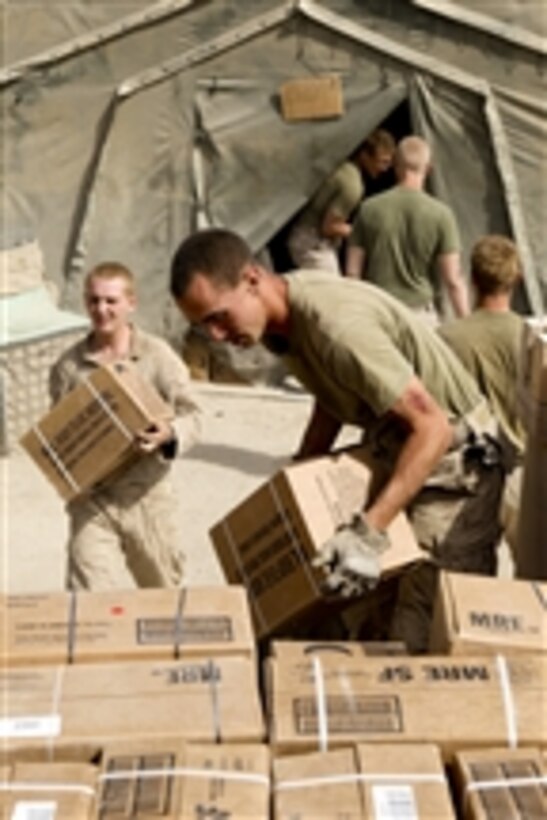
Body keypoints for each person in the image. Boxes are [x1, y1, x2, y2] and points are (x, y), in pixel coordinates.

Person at [170, 228, 506, 654]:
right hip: (402, 451)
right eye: (203, 327)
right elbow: (335, 387)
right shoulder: (281, 322)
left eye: (218, 316)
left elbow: (432, 426)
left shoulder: (335, 325)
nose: (216, 336)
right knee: (366, 620)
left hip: (454, 469)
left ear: (252, 279)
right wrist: (303, 468)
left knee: (429, 636)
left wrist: (369, 533)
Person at [50, 262, 201, 590]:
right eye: (93, 301)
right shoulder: (68, 367)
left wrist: (169, 434)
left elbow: (194, 414)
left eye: (111, 301)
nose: (101, 310)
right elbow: (59, 437)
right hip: (92, 501)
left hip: (146, 496)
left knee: (165, 596)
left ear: (131, 303)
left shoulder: (156, 356)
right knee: (86, 602)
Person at [438, 235, 525, 558]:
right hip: (524, 479)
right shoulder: (533, 341)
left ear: (472, 278)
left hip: (469, 478)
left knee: (468, 590)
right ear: (517, 278)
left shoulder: (446, 339)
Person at [346, 135, 469, 324]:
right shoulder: (442, 215)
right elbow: (453, 280)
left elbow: (353, 273)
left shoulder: (368, 209)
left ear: (395, 165)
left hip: (379, 312)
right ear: (428, 169)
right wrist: (466, 323)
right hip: (421, 317)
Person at [287, 129, 395, 274]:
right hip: (312, 244)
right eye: (382, 162)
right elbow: (329, 227)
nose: (385, 169)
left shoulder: (343, 168)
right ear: (364, 156)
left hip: (305, 239)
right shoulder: (352, 186)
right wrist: (361, 232)